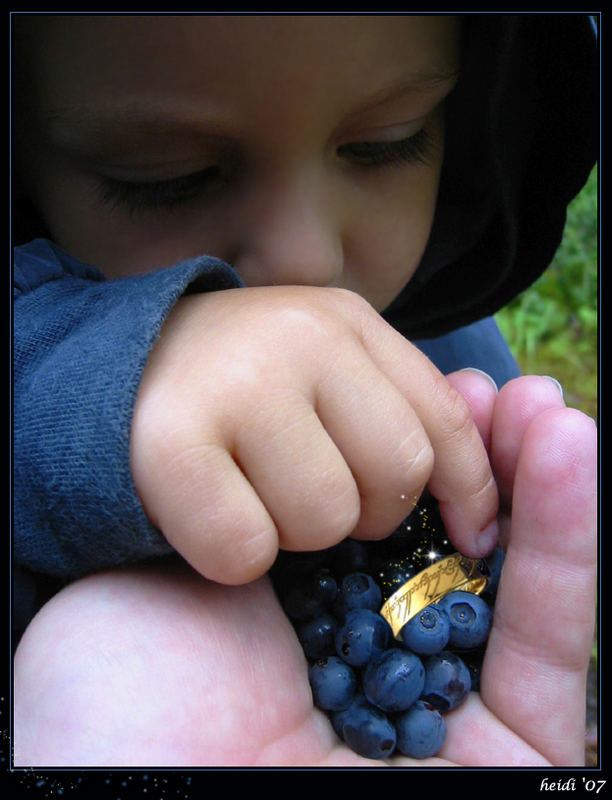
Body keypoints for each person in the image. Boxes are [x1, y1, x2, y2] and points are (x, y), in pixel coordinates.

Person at [12, 13, 598, 767]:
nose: (307, 256)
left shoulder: (455, 363)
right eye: (165, 176)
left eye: (388, 141)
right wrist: (107, 383)